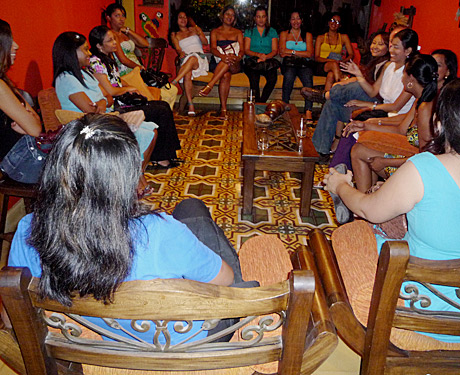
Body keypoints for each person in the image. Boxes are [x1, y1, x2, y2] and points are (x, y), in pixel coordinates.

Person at [8, 113, 250, 345]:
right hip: (186, 341)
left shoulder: (29, 228)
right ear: (128, 174)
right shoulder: (159, 231)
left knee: (190, 207)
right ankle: (250, 297)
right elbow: (224, 280)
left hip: (105, 336)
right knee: (235, 281)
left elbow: (12, 317)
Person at [323, 78, 460, 343]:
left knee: (354, 231)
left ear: (440, 124)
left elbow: (368, 210)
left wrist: (341, 186)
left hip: (422, 306)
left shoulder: (425, 169)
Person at [52, 31, 156, 195]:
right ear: (72, 53)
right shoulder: (66, 79)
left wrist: (101, 102)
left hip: (105, 118)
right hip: (88, 128)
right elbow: (90, 111)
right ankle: (134, 181)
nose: (89, 53)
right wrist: (102, 103)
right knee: (138, 134)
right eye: (85, 50)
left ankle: (135, 175)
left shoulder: (84, 73)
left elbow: (108, 97)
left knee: (152, 130)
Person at [311, 28, 417, 158]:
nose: (391, 50)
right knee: (332, 104)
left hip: (392, 116)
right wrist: (358, 74)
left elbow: (395, 107)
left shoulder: (411, 74)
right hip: (379, 108)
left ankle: (325, 95)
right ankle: (319, 150)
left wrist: (366, 105)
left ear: (408, 51)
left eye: (396, 47)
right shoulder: (388, 66)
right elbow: (373, 91)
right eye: (391, 46)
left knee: (350, 106)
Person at [88, 25, 181, 169]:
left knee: (162, 106)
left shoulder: (108, 58)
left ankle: (166, 154)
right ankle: (161, 157)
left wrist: (133, 88)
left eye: (114, 39)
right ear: (99, 46)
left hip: (124, 99)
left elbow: (117, 80)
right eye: (110, 40)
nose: (114, 42)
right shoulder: (96, 63)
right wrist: (128, 89)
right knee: (161, 111)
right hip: (118, 106)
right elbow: (110, 91)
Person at [343, 54, 439, 192]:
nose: (402, 79)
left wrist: (385, 162)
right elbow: (401, 129)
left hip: (417, 172)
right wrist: (365, 125)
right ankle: (368, 202)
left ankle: (365, 205)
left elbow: (425, 157)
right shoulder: (421, 100)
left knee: (360, 152)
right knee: (364, 143)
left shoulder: (426, 108)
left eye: (404, 74)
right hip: (411, 158)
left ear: (411, 78)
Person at [0, 19, 44, 184]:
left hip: (25, 154)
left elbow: (36, 125)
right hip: (23, 161)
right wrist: (29, 123)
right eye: (9, 41)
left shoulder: (4, 81)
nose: (16, 46)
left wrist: (29, 124)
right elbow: (34, 128)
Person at [199, 5, 244, 120]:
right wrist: (222, 56)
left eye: (232, 15)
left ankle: (210, 85)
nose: (230, 17)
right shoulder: (215, 32)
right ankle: (224, 110)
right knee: (225, 75)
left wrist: (238, 57)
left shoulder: (238, 32)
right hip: (219, 61)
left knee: (228, 61)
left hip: (235, 63)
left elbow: (242, 50)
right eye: (227, 14)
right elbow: (213, 49)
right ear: (222, 16)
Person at [170, 10, 209, 117]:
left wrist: (199, 32)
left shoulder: (194, 29)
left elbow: (205, 42)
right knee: (188, 73)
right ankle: (191, 106)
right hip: (186, 61)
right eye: (180, 17)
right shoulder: (175, 34)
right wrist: (180, 52)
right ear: (176, 20)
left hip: (199, 60)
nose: (183, 19)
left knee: (192, 57)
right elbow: (178, 48)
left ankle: (174, 81)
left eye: (185, 17)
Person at [279, 10, 314, 123]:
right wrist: (299, 52)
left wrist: (292, 51)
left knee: (308, 79)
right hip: (289, 63)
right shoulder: (284, 34)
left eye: (298, 18)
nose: (296, 21)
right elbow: (282, 52)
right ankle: (285, 105)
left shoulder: (307, 35)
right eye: (293, 18)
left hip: (304, 64)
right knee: (288, 76)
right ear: (289, 21)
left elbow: (309, 54)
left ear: (302, 20)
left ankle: (308, 110)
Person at [243, 6, 279, 103]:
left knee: (273, 78)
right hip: (252, 60)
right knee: (254, 78)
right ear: (254, 18)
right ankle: (257, 103)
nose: (261, 19)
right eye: (258, 16)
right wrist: (258, 55)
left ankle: (261, 102)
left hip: (267, 60)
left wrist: (265, 57)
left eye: (263, 16)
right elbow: (246, 50)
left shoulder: (272, 31)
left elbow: (275, 50)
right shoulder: (249, 31)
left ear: (266, 17)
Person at [104, 3, 148, 77]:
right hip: (125, 70)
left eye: (123, 16)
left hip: (136, 68)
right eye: (117, 16)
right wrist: (139, 67)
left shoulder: (125, 34)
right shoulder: (111, 35)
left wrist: (129, 30)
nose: (121, 19)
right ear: (109, 18)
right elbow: (123, 60)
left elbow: (145, 44)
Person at [314, 13, 353, 91]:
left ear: (340, 26)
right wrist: (331, 60)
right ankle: (343, 86)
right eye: (332, 20)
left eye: (337, 22)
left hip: (337, 65)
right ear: (328, 23)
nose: (334, 23)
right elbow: (317, 58)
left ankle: (326, 98)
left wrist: (342, 61)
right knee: (334, 64)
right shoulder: (321, 38)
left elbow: (351, 54)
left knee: (331, 75)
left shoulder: (344, 37)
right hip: (322, 65)